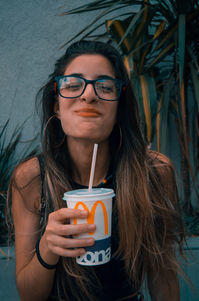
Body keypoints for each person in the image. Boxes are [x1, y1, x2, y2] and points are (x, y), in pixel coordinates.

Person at [8, 40, 185, 301]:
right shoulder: (31, 178)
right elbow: (28, 295)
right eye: (73, 84)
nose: (89, 95)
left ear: (118, 106)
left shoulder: (154, 174)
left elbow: (163, 280)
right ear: (57, 106)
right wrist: (48, 246)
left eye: (104, 86)